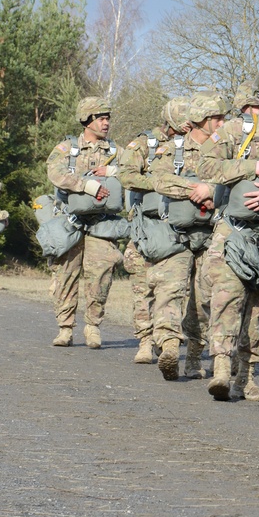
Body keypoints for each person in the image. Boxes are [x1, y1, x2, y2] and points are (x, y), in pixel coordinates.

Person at [188, 64, 259, 401]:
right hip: (233, 229)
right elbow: (204, 166)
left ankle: (245, 378)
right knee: (226, 295)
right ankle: (221, 366)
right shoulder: (236, 129)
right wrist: (251, 166)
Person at [147, 93, 226, 379]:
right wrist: (195, 190)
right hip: (176, 234)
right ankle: (169, 347)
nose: (221, 123)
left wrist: (213, 192)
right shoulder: (174, 148)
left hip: (213, 235)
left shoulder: (227, 148)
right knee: (170, 291)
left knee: (203, 299)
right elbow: (159, 179)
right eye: (216, 118)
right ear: (200, 121)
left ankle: (194, 356)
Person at [44, 98, 123, 349]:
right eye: (101, 118)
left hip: (103, 224)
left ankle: (93, 327)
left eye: (108, 118)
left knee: (100, 276)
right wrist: (86, 185)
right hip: (71, 221)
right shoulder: (67, 148)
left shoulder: (115, 152)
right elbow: (54, 173)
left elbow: (138, 172)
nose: (106, 123)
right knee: (66, 275)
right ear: (87, 120)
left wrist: (112, 173)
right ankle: (65, 328)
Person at [119, 113, 170, 364]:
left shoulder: (198, 144)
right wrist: (162, 184)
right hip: (146, 227)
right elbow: (126, 175)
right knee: (142, 287)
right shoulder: (145, 143)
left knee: (176, 290)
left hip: (180, 229)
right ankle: (145, 341)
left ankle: (167, 339)